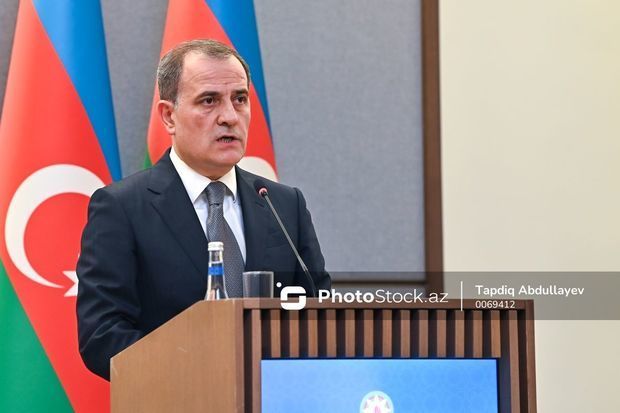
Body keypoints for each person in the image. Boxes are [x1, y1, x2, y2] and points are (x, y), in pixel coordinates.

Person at [76, 39, 330, 380]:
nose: (229, 117)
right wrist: (200, 374)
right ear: (169, 116)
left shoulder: (283, 204)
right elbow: (102, 335)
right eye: (209, 101)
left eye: (240, 99)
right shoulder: (122, 208)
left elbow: (320, 313)